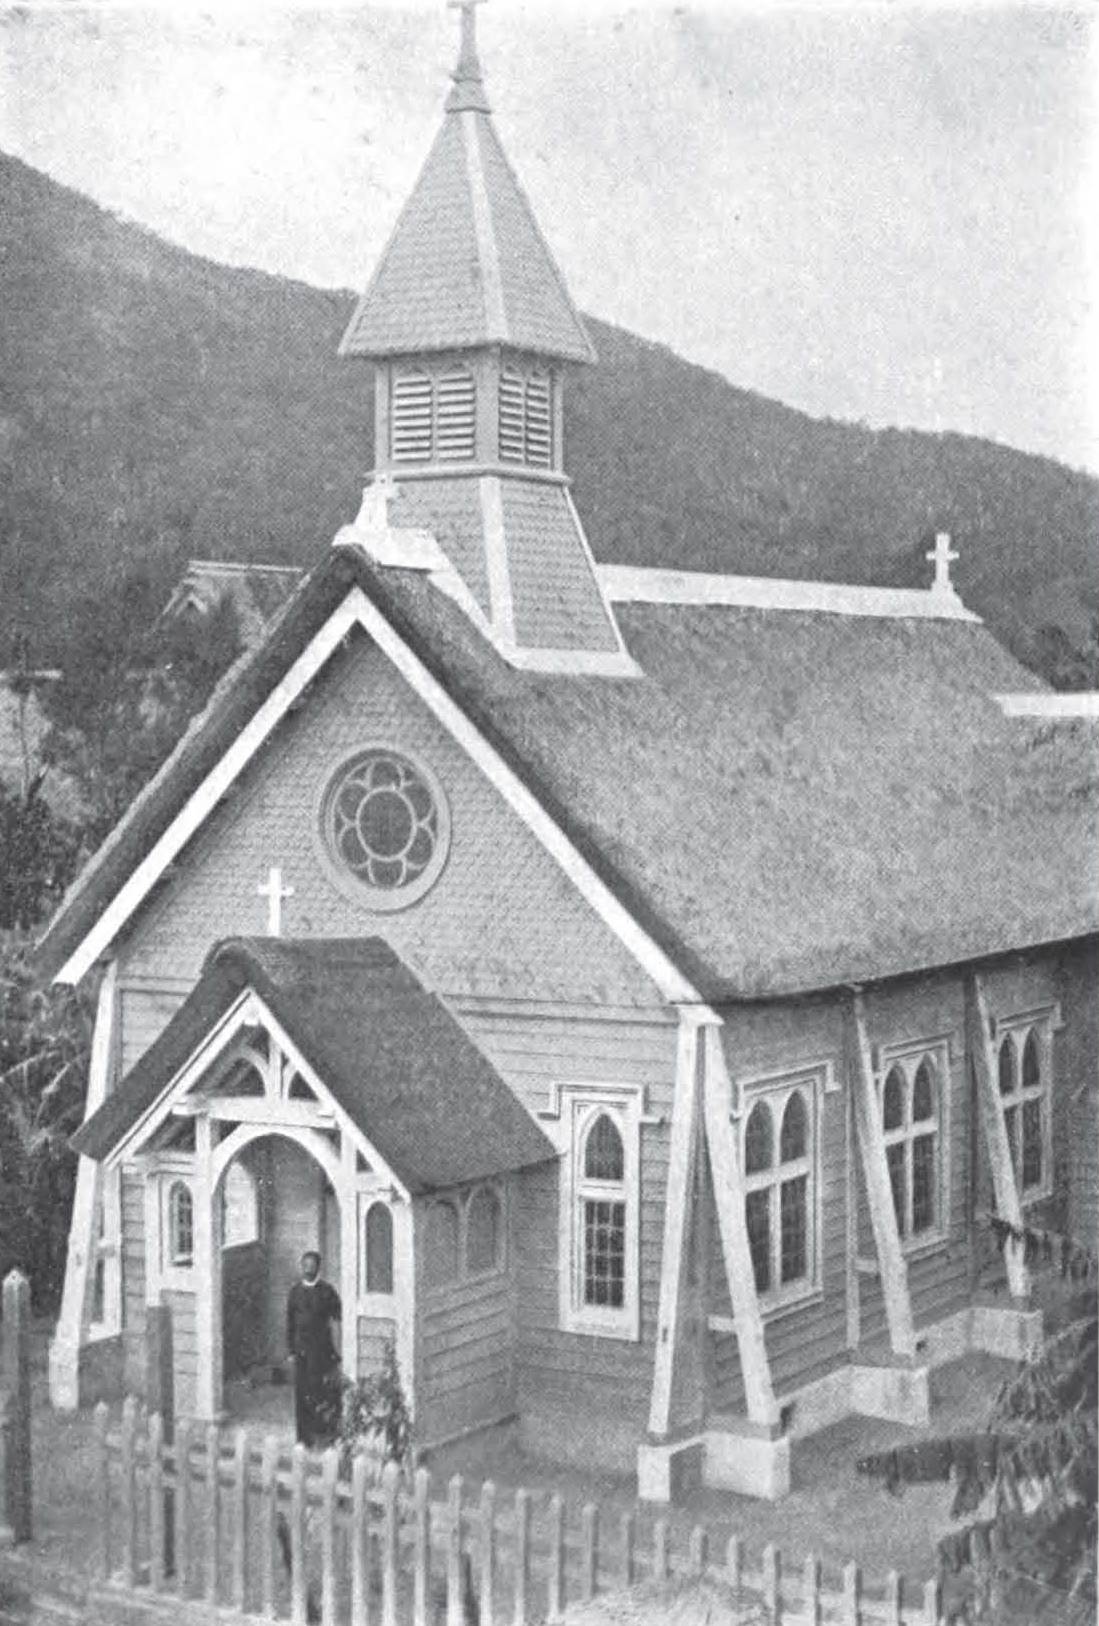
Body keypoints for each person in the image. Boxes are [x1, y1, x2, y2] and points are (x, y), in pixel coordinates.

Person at [286, 1250, 342, 1447]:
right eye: (305, 1265)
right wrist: (291, 1351)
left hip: (321, 1350)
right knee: (302, 1393)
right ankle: (304, 1438)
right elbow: (290, 1323)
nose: (308, 1268)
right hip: (301, 1350)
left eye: (312, 1265)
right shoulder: (295, 1292)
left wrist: (337, 1350)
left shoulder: (327, 1291)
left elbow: (338, 1317)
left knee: (320, 1391)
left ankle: (322, 1435)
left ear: (318, 1267)